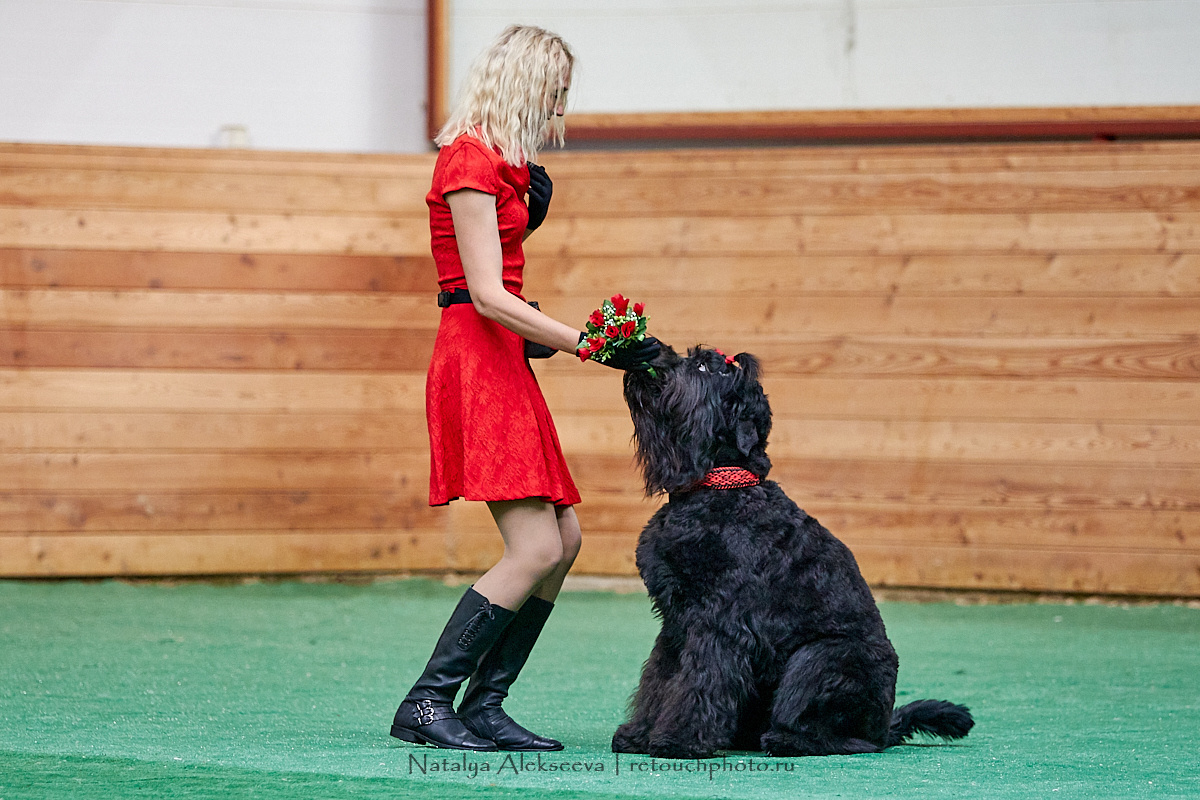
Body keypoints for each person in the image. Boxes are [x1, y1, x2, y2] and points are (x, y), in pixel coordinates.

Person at [389, 25, 659, 753]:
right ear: (522, 85)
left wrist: (587, 341)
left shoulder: (500, 163)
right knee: (535, 545)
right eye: (553, 93)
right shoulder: (469, 159)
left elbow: (503, 294)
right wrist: (593, 346)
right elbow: (481, 294)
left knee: (562, 539)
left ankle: (484, 704)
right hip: (477, 355)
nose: (557, 109)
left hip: (501, 353)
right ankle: (427, 702)